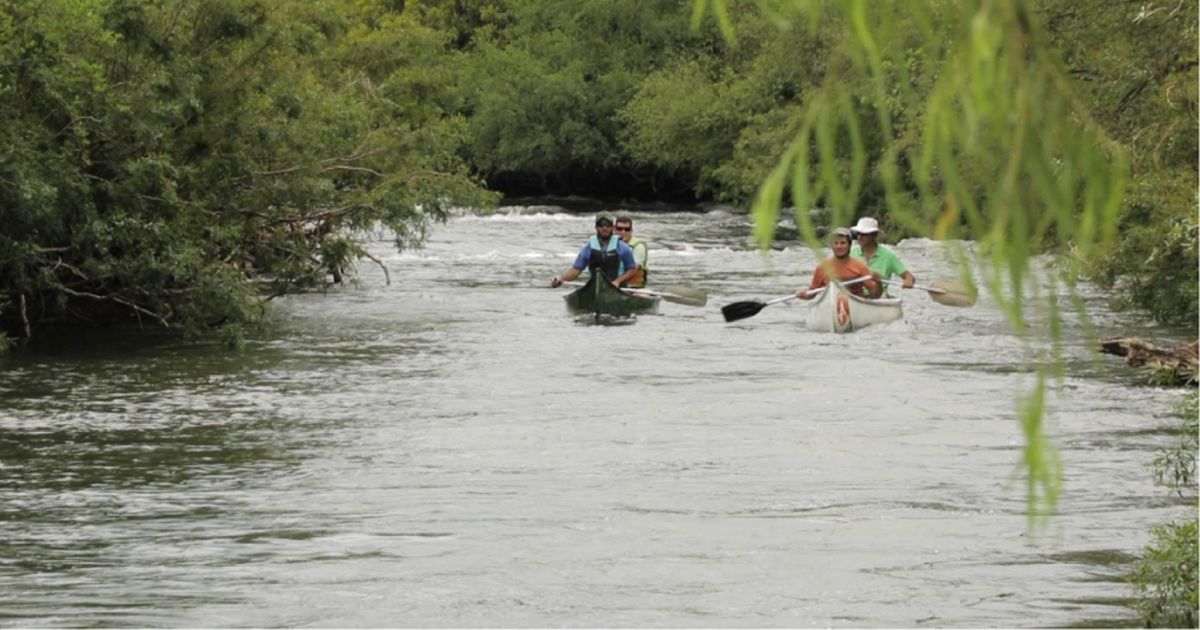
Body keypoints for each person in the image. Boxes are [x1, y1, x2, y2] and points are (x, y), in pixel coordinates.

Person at [550, 215, 640, 289]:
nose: (604, 228)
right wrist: (561, 279)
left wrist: (617, 281)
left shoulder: (623, 247)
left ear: (612, 228)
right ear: (596, 228)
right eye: (601, 225)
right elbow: (576, 270)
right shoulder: (588, 247)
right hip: (594, 287)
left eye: (608, 225)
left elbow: (632, 269)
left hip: (617, 287)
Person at [795, 227, 881, 300]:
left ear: (849, 245)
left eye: (843, 243)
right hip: (830, 305)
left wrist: (878, 283)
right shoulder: (822, 267)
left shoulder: (860, 266)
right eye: (835, 243)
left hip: (856, 306)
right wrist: (803, 294)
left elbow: (875, 296)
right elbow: (812, 292)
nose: (839, 247)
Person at [850, 217, 915, 294]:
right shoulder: (851, 252)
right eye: (858, 233)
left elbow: (908, 276)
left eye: (864, 234)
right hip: (854, 294)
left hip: (879, 296)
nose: (859, 237)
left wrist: (908, 280)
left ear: (874, 235)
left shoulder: (888, 256)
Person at [613, 215, 648, 288]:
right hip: (613, 285)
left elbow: (634, 269)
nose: (623, 232)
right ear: (614, 230)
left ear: (631, 231)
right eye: (619, 229)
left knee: (641, 294)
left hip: (633, 287)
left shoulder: (638, 246)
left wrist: (617, 281)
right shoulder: (610, 244)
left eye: (627, 229)